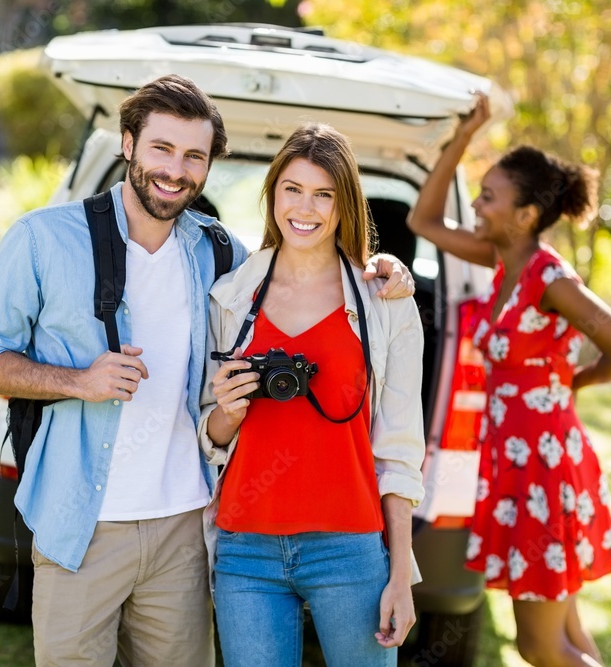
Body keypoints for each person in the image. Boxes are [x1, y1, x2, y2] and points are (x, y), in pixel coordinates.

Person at [0, 74, 415, 666]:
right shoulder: (44, 239)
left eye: (194, 156)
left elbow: (305, 268)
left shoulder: (220, 257)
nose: (176, 169)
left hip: (185, 532)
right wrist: (78, 382)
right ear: (128, 144)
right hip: (81, 526)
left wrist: (384, 269)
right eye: (161, 148)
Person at [407, 94, 611, 667]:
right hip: (515, 469)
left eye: (489, 198)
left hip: (543, 469)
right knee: (570, 638)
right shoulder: (502, 263)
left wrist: (572, 385)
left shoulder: (548, 278)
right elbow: (422, 221)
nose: (480, 208)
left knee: (540, 647)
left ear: (525, 215)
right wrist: (462, 139)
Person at [199, 123, 425, 666]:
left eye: (324, 193)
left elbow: (398, 448)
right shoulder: (230, 296)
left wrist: (400, 574)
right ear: (272, 194)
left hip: (350, 547)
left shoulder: (385, 302)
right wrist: (226, 413)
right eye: (292, 189)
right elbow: (207, 433)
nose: (306, 207)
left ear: (344, 203)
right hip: (245, 549)